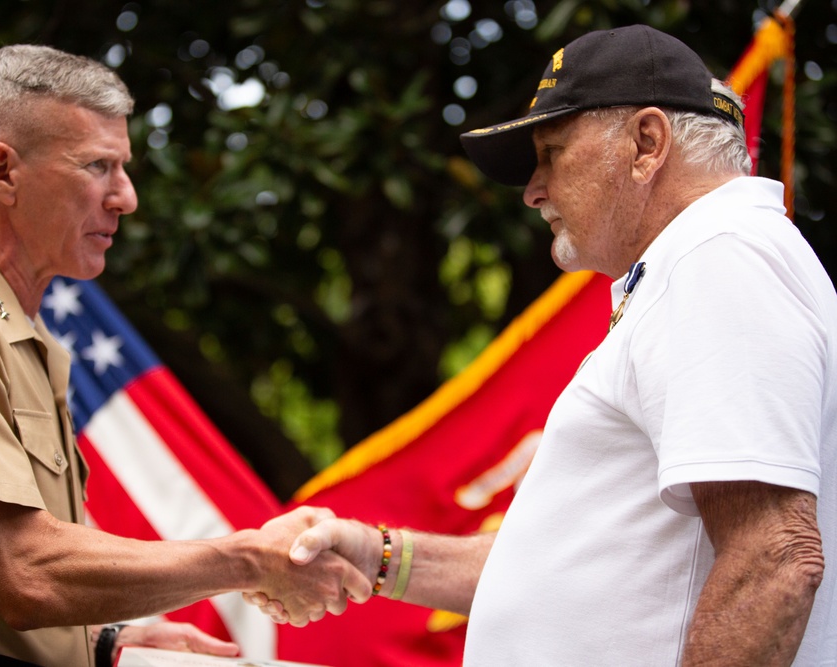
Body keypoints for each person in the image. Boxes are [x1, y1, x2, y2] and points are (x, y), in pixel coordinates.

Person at [248, 24, 837, 665]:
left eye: (551, 152)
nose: (532, 190)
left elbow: (777, 554)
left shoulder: (719, 259)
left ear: (647, 144)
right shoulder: (701, 266)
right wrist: (377, 552)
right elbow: (557, 568)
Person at [0, 44, 371, 667]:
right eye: (98, 166)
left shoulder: (19, 339)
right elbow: (22, 572)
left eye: (123, 168)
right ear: (3, 172)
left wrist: (106, 639)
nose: (126, 197)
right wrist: (248, 559)